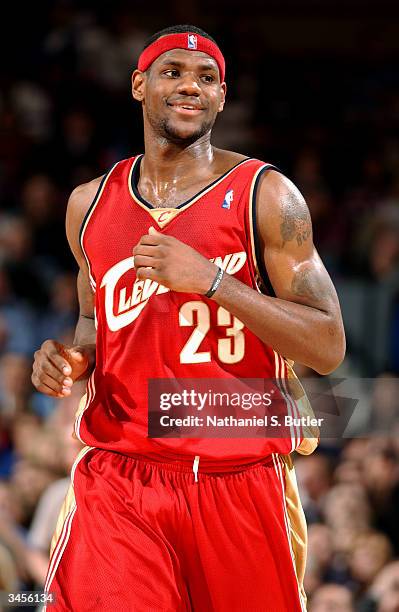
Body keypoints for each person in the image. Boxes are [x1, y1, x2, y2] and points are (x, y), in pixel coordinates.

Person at [31, 24, 345, 612]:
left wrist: (213, 281)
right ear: (138, 84)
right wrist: (72, 359)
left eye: (207, 78)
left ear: (223, 97)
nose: (189, 87)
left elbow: (328, 344)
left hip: (239, 475)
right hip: (122, 476)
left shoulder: (266, 195)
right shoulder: (89, 204)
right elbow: (91, 321)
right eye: (172, 72)